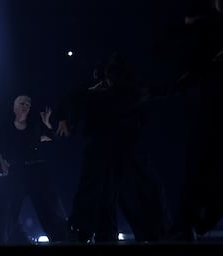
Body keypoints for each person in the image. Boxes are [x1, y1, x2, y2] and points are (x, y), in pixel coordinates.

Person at [56, 53, 170, 243]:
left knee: (135, 190)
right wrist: (62, 118)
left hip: (124, 149)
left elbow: (152, 90)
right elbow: (70, 98)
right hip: (103, 149)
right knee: (99, 193)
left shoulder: (127, 91)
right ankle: (90, 232)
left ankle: (154, 232)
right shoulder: (94, 91)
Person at [167, 0, 223, 241]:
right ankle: (191, 219)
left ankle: (195, 218)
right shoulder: (207, 21)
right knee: (209, 159)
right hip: (216, 98)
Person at [0, 95, 69, 244]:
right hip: (18, 172)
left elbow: (56, 140)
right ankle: (10, 239)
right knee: (10, 207)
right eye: (22, 103)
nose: (25, 106)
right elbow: (2, 149)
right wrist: (3, 161)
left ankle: (61, 238)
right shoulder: (6, 127)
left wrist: (47, 123)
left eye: (28, 104)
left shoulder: (35, 125)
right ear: (14, 107)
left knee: (49, 205)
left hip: (36, 170)